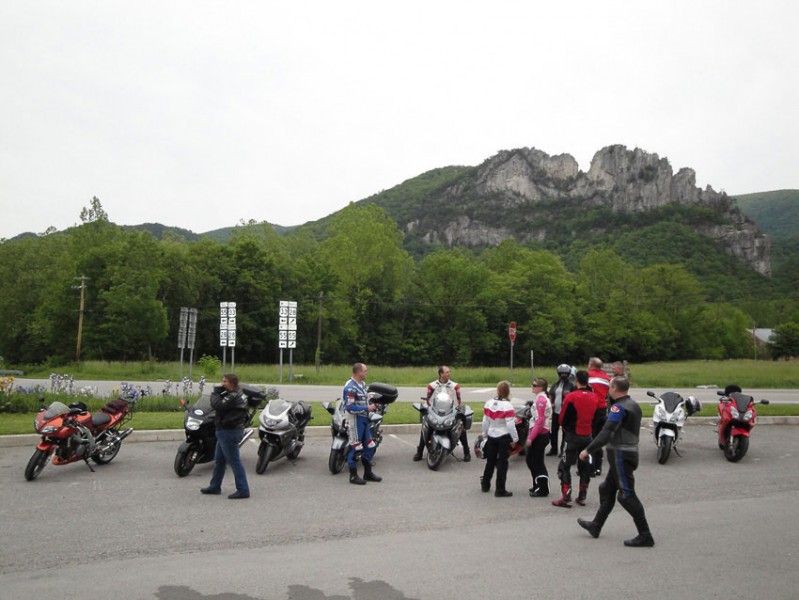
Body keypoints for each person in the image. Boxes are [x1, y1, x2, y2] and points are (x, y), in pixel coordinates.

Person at [577, 376, 655, 547]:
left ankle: (645, 534)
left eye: (610, 387)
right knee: (607, 489)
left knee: (627, 495)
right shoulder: (632, 404)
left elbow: (607, 432)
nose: (608, 390)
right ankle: (596, 525)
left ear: (614, 388)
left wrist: (588, 450)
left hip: (621, 455)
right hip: (624, 454)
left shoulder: (619, 407)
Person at [201, 373, 251, 499]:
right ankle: (215, 486)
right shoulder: (235, 394)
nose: (222, 384)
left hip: (229, 432)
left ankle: (243, 490)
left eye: (225, 382)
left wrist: (215, 393)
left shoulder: (233, 396)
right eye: (222, 381)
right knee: (219, 461)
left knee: (234, 461)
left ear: (232, 383)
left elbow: (218, 405)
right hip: (227, 431)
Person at [552, 370, 598, 508]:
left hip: (572, 435)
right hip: (587, 435)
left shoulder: (571, 397)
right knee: (584, 465)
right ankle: (582, 496)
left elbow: (562, 417)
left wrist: (565, 427)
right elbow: (597, 416)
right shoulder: (594, 397)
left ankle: (566, 497)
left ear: (576, 380)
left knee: (564, 466)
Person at [414, 365, 470, 462]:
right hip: (436, 412)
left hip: (450, 411)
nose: (449, 373)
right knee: (426, 427)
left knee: (460, 428)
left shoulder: (455, 386)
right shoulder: (432, 385)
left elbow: (458, 401)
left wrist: (456, 411)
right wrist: (430, 410)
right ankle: (419, 452)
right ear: (441, 374)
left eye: (449, 372)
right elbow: (428, 401)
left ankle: (467, 452)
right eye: (447, 372)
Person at [343, 363, 382, 485]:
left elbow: (363, 400)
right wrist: (366, 408)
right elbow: (349, 407)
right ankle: (353, 476)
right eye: (365, 371)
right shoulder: (350, 388)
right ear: (358, 372)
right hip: (355, 421)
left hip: (365, 419)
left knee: (370, 445)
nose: (366, 373)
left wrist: (373, 403)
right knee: (357, 447)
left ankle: (368, 473)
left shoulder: (363, 385)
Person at [480, 381, 518, 497]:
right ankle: (500, 489)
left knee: (490, 461)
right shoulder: (508, 405)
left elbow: (485, 421)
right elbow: (510, 424)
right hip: (503, 436)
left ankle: (485, 484)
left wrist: (484, 433)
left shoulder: (489, 403)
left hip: (491, 434)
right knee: (502, 463)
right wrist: (515, 438)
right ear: (508, 392)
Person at [526, 377, 552, 497]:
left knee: (537, 462)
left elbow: (540, 421)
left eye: (535, 385)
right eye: (532, 384)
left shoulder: (541, 399)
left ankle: (543, 488)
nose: (532, 386)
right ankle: (537, 484)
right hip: (538, 432)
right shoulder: (539, 398)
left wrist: (531, 438)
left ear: (541, 388)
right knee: (530, 460)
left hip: (540, 434)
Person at [587, 357, 611, 477]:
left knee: (588, 437)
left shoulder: (587, 376)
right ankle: (598, 467)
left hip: (589, 408)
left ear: (591, 365)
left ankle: (589, 467)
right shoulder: (607, 378)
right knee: (597, 437)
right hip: (602, 409)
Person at [547, 364, 576, 456]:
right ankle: (553, 449)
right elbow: (551, 394)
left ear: (569, 374)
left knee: (565, 432)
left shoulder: (572, 385)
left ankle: (563, 449)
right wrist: (551, 402)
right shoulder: (555, 384)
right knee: (554, 431)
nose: (563, 375)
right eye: (561, 373)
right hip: (556, 411)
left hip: (566, 412)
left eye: (565, 373)